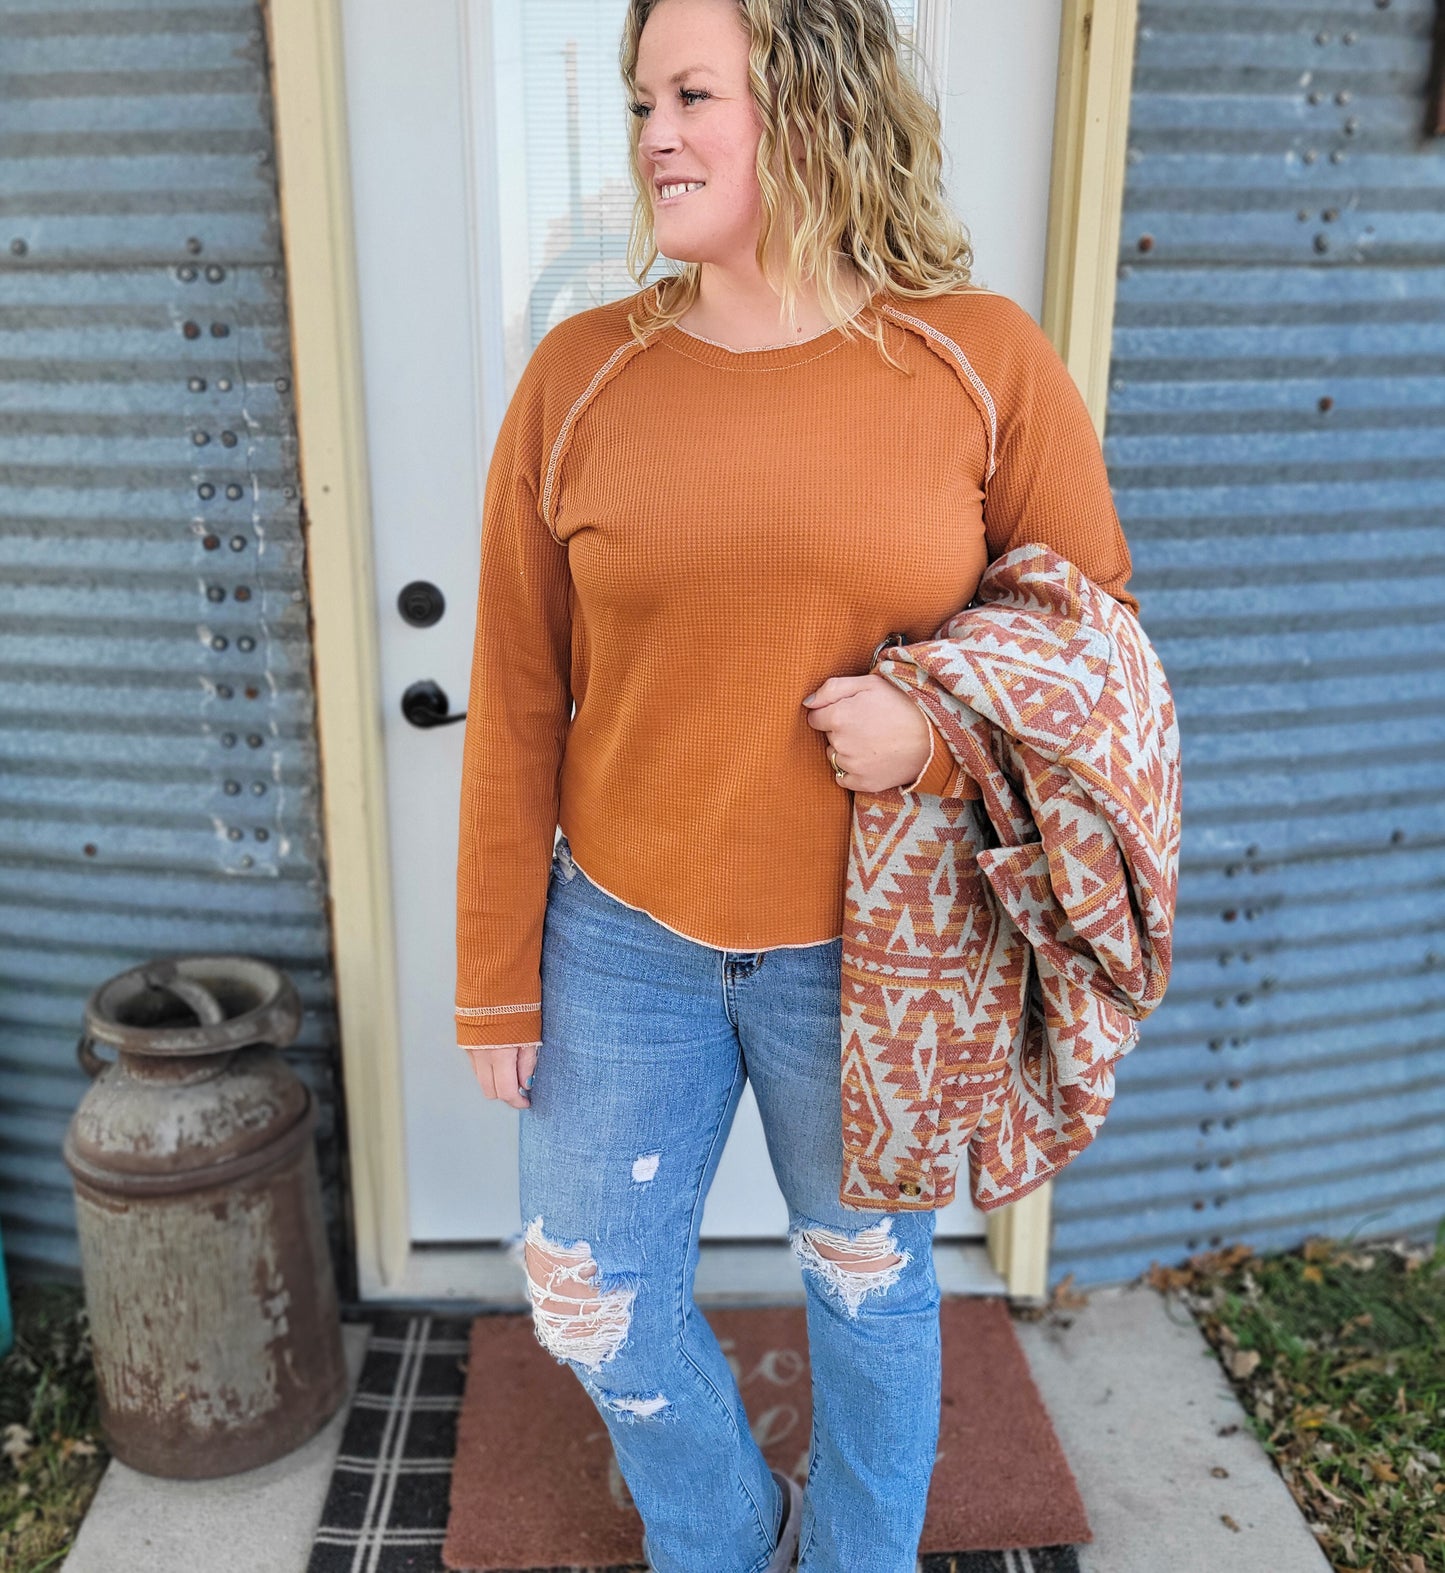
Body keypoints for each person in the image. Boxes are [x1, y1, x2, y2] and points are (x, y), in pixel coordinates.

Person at [454, 0, 1137, 1567]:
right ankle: (721, 1530)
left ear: (813, 102)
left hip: (877, 951)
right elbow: (519, 691)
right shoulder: (579, 376)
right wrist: (496, 975)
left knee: (867, 1283)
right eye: (643, 100)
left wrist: (932, 727)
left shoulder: (976, 357)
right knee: (586, 1291)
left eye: (692, 94)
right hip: (621, 935)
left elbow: (1091, 644)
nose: (654, 135)